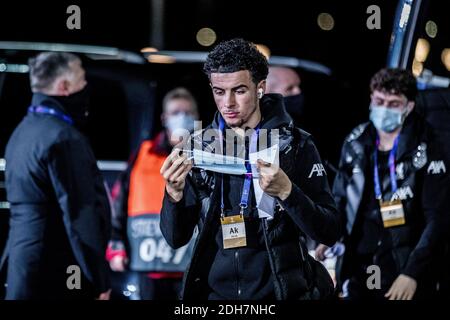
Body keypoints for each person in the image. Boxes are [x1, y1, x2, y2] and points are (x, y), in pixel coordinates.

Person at [159, 38, 340, 300]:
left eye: (239, 90)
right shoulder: (198, 146)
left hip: (279, 293)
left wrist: (288, 192)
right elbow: (176, 239)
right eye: (219, 91)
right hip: (215, 297)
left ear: (260, 88)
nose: (228, 103)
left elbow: (329, 231)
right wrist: (173, 195)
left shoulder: (296, 145)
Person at [316, 68, 449, 300]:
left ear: (408, 106)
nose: (384, 108)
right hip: (358, 263)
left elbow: (437, 218)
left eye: (393, 103)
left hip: (402, 262)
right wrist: (328, 237)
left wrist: (412, 273)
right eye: (379, 101)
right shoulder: (355, 142)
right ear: (371, 99)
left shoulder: (428, 146)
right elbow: (339, 198)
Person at [1, 52, 111, 300]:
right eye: (82, 80)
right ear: (65, 87)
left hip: (22, 263)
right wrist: (98, 278)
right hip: (55, 266)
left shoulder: (21, 133)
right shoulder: (63, 137)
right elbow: (80, 215)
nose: (86, 87)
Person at [107, 88, 199, 300]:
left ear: (196, 116)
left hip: (192, 268)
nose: (182, 117)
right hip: (150, 268)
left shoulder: (208, 155)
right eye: (176, 112)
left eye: (188, 112)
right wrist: (116, 247)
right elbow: (119, 203)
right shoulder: (143, 154)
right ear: (164, 118)